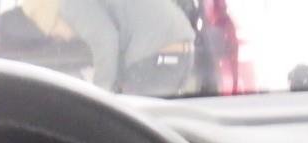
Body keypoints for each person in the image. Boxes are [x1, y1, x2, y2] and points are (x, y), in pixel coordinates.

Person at [20, 0, 197, 97]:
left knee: (137, 132)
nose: (62, 38)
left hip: (155, 55)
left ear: (53, 15)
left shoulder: (69, 4)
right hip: (181, 53)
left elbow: (105, 40)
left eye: (54, 31)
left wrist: (99, 95)